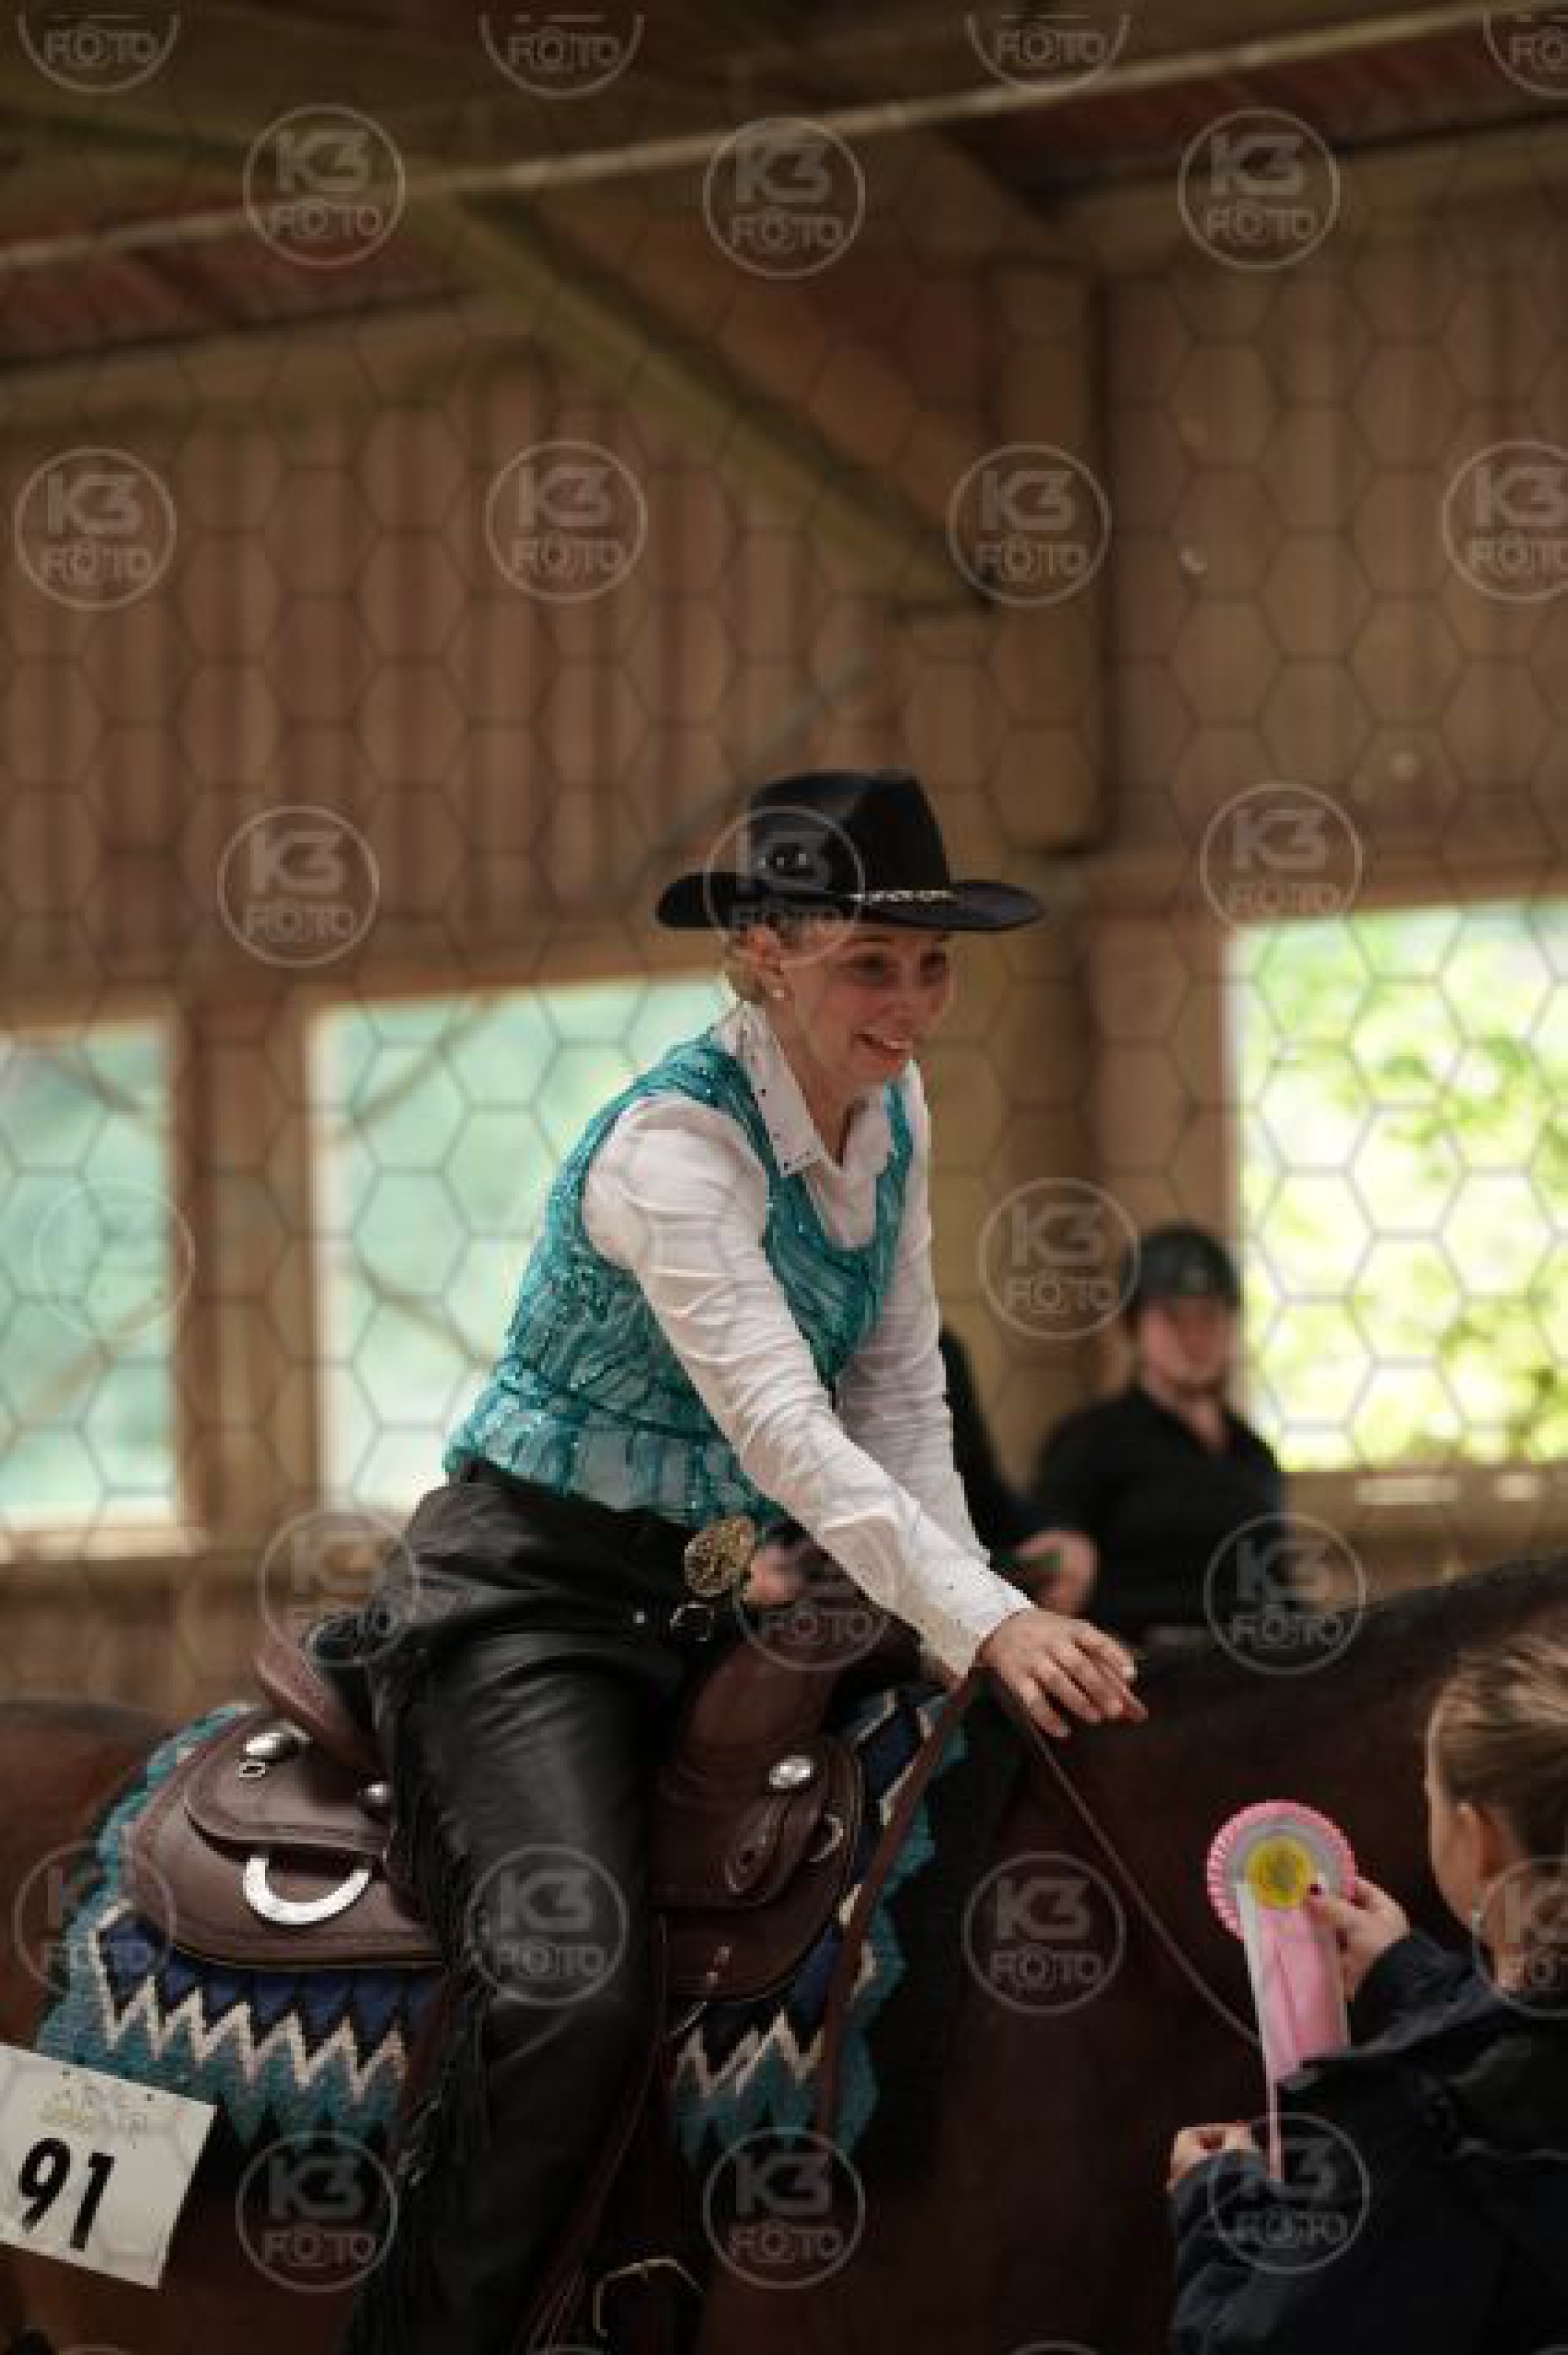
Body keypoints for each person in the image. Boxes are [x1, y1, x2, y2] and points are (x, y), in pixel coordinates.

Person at [341, 768, 1147, 2354]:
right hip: (526, 1605)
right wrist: (987, 1616)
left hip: (714, 1596)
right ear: (762, 953)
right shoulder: (673, 1150)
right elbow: (787, 1429)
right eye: (870, 962)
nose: (911, 1002)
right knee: (570, 1986)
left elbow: (900, 1395)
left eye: (933, 963)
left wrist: (965, 1614)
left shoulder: (894, 1109)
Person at [1166, 1624, 1568, 2350]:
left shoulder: (1422, 2133)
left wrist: (1220, 2202)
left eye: (1431, 1799)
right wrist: (1408, 1976)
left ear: (1478, 1840)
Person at [1026, 1224, 1288, 1640]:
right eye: (1174, 1317)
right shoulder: (1089, 1441)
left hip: (1259, 1661)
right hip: (1142, 1666)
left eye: (1210, 1315)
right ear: (1135, 1326)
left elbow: (1280, 1586)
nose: (1195, 1335)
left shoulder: (1255, 1454)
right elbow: (1051, 1568)